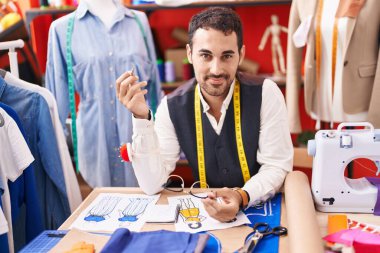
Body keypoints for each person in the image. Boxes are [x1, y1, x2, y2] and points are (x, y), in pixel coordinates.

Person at [116, 7, 293, 222]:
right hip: (208, 215)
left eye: (227, 56)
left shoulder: (266, 93)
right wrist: (142, 119)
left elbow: (276, 166)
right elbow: (152, 185)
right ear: (189, 53)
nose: (216, 69)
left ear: (241, 54)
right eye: (205, 55)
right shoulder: (172, 106)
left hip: (261, 207)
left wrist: (240, 196)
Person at [45, 0, 161, 188]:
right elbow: (56, 98)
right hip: (94, 139)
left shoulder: (139, 22)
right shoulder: (62, 29)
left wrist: (160, 132)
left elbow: (154, 86)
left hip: (138, 136)